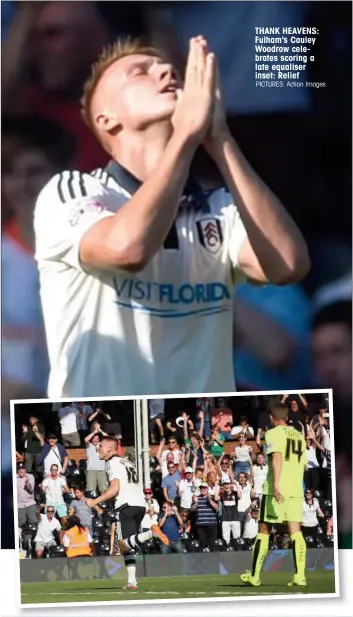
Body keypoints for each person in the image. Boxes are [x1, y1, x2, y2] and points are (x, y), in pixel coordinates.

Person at [34, 35, 309, 398]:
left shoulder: (220, 207)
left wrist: (219, 138)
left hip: (202, 445)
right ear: (107, 119)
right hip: (97, 441)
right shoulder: (73, 191)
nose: (165, 69)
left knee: (293, 445)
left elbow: (287, 265)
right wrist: (187, 136)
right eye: (139, 72)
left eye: (165, 66)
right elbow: (127, 250)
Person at [85, 436, 169, 590]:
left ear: (110, 448)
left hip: (125, 505)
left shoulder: (111, 463)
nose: (98, 448)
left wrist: (94, 501)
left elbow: (115, 488)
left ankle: (151, 533)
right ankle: (132, 582)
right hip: (140, 505)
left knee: (122, 545)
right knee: (130, 546)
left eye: (101, 445)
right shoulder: (128, 462)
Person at [241, 402, 307, 588]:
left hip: (276, 490)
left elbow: (277, 456)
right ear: (286, 416)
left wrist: (277, 484)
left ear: (271, 417)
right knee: (296, 532)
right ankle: (300, 576)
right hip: (296, 489)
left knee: (264, 530)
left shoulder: (272, 433)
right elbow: (304, 465)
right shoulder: (298, 435)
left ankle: (254, 576)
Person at [84, 424, 109, 493]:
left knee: (104, 489)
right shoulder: (89, 445)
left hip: (102, 470)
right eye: (94, 438)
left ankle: (104, 503)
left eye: (97, 438)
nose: (95, 440)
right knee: (91, 489)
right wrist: (94, 432)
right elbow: (86, 439)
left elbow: (108, 438)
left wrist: (100, 430)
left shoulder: (102, 445)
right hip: (91, 470)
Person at [17, 463, 37, 530]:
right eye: (19, 469)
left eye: (22, 469)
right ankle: (21, 538)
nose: (21, 470)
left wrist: (27, 483)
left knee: (34, 521)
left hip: (30, 503)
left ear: (25, 469)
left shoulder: (30, 476)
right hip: (19, 504)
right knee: (21, 522)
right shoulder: (14, 478)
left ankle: (33, 538)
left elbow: (31, 489)